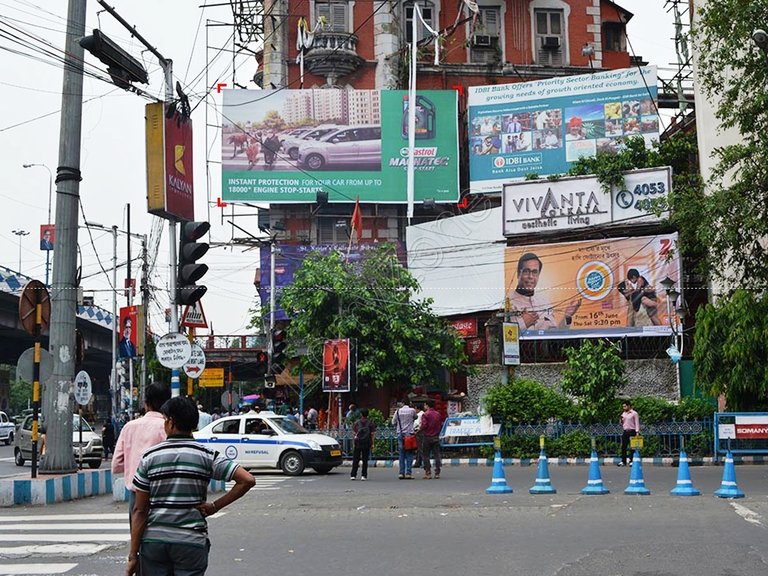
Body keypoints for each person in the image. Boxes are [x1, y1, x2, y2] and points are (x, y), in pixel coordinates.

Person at [126, 396, 256, 576]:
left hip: (155, 542)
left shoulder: (150, 456)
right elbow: (247, 480)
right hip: (191, 541)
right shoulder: (207, 454)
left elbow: (140, 510)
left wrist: (133, 555)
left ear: (171, 423)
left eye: (165, 420)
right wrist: (214, 507)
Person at [112, 383, 171, 523]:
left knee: (137, 535)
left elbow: (116, 464)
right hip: (164, 493)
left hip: (136, 493)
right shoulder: (168, 427)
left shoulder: (129, 427)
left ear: (146, 404)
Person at [508, 252, 582, 330]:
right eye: (526, 271)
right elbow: (503, 335)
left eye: (534, 272)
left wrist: (567, 317)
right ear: (518, 274)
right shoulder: (508, 302)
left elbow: (554, 335)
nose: (530, 276)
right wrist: (523, 324)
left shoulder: (545, 303)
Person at [392, 400, 417, 479]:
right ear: (410, 404)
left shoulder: (398, 411)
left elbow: (393, 422)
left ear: (402, 404)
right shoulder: (412, 410)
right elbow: (416, 417)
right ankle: (408, 473)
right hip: (409, 435)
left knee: (401, 454)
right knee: (409, 453)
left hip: (400, 434)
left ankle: (401, 473)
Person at [350, 408, 375, 481]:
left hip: (358, 443)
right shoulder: (370, 423)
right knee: (365, 460)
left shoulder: (357, 423)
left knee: (356, 459)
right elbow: (372, 434)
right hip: (366, 443)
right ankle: (364, 475)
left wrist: (353, 443)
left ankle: (353, 475)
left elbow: (354, 433)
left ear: (361, 414)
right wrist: (373, 444)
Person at [420, 399, 443, 480]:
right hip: (436, 436)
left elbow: (424, 425)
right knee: (437, 455)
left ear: (427, 405)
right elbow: (440, 425)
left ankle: (428, 472)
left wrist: (419, 430)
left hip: (427, 437)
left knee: (426, 455)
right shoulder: (438, 414)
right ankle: (437, 472)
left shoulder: (425, 415)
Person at [618, 401, 640, 466]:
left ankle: (631, 461)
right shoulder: (623, 413)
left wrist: (637, 432)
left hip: (632, 431)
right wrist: (621, 420)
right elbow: (621, 423)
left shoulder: (634, 413)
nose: (624, 408)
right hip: (625, 431)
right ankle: (623, 461)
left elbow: (637, 423)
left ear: (629, 406)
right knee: (623, 446)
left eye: (625, 406)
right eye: (623, 406)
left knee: (632, 447)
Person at [413, 402, 425, 468]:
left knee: (420, 448)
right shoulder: (423, 413)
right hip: (421, 431)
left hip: (419, 432)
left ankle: (424, 462)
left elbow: (417, 424)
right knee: (419, 447)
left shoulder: (419, 415)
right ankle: (418, 462)